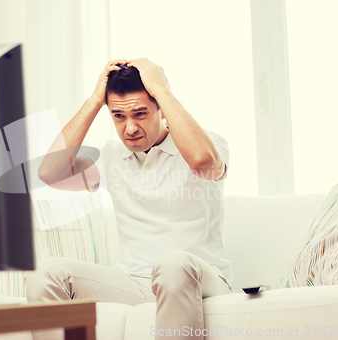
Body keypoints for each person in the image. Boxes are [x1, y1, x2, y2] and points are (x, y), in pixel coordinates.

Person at [27, 58, 234, 340]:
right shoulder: (112, 156)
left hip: (200, 279)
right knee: (47, 273)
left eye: (140, 113)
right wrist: (93, 102)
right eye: (119, 116)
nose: (130, 128)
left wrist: (162, 89)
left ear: (161, 109)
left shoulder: (207, 142)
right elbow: (50, 172)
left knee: (172, 263)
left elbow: (203, 162)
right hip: (135, 283)